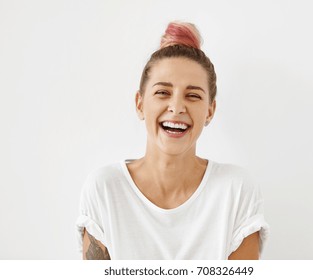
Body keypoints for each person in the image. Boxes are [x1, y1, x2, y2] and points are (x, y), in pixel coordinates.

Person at [76, 21, 269, 260]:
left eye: (193, 95)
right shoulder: (104, 189)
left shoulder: (237, 190)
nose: (177, 107)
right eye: (162, 92)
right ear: (140, 104)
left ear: (210, 111)